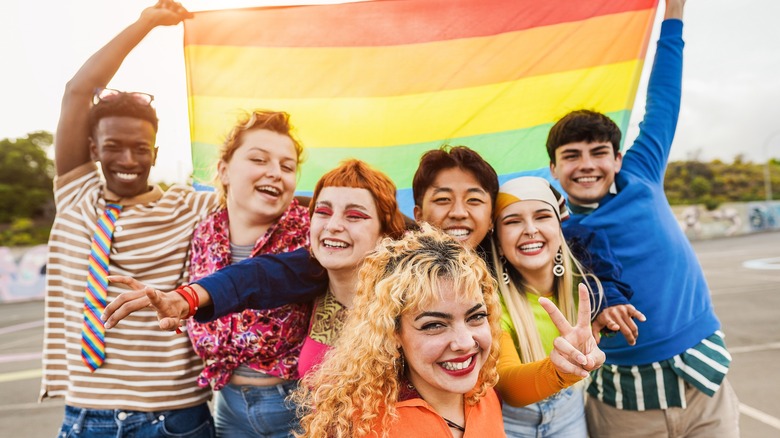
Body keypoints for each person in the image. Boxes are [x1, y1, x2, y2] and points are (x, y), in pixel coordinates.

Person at [546, 0, 740, 436]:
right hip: (622, 402)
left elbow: (664, 99)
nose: (587, 165)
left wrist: (674, 14)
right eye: (571, 156)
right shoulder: (550, 231)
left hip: (702, 380)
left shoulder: (643, 175)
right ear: (554, 170)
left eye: (598, 153)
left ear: (617, 159)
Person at [40, 1, 218, 436]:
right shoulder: (75, 193)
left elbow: (267, 197)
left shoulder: (191, 206)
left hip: (174, 417)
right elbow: (78, 90)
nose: (127, 159)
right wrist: (146, 24)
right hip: (87, 416)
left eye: (141, 149)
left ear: (155, 154)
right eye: (114, 146)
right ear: (92, 148)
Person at [105, 159, 407, 381]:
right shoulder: (309, 272)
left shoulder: (409, 300)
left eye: (354, 215)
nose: (334, 225)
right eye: (323, 212)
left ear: (384, 234)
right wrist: (185, 299)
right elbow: (253, 277)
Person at [292, 224, 604, 438]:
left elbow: (512, 383)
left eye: (475, 316)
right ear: (393, 333)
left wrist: (564, 368)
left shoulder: (484, 390)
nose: (465, 342)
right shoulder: (362, 426)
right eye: (434, 325)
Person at [185, 110, 310, 437]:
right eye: (259, 160)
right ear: (224, 171)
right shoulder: (204, 233)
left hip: (297, 405)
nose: (275, 173)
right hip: (228, 405)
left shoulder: (313, 232)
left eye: (287, 166)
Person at [491, 176, 613, 437]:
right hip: (510, 422)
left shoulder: (589, 288)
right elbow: (507, 386)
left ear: (560, 229)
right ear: (498, 242)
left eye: (542, 216)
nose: (530, 229)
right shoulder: (490, 302)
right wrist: (558, 371)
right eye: (512, 221)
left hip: (570, 412)